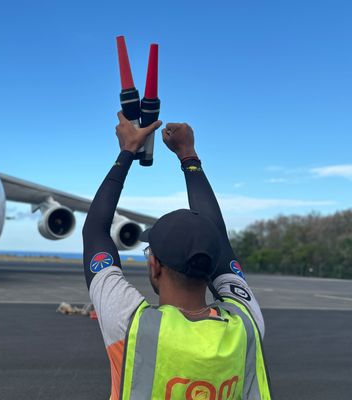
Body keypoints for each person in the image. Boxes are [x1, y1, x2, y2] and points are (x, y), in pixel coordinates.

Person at [82, 113, 271, 400]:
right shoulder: (246, 324)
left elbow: (95, 231)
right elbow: (219, 239)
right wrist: (189, 156)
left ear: (154, 265)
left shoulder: (132, 325)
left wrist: (127, 151)